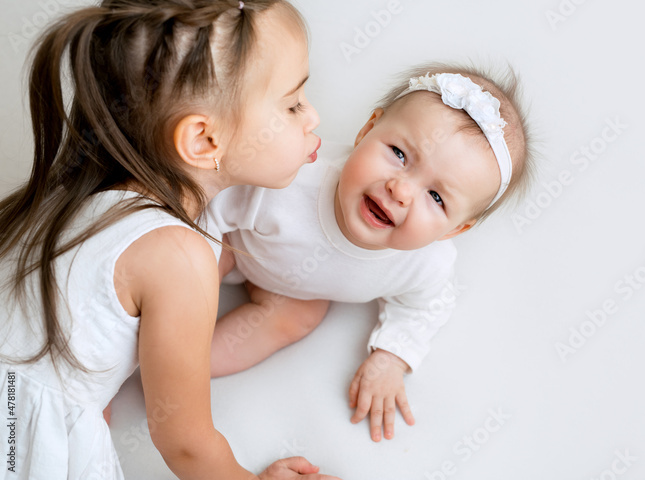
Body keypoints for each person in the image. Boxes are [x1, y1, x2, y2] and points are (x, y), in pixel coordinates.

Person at [0, 1, 338, 478]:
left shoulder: (66, 197)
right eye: (293, 104)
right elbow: (186, 443)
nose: (313, 116)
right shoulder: (179, 256)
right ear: (204, 140)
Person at [207, 63, 535, 442]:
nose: (400, 190)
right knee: (195, 260)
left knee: (298, 316)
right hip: (232, 242)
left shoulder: (425, 264)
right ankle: (166, 337)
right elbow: (214, 204)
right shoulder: (291, 179)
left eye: (436, 197)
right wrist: (202, 258)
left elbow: (425, 308)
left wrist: (391, 357)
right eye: (399, 153)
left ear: (454, 230)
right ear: (366, 131)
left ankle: (191, 364)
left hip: (290, 293)